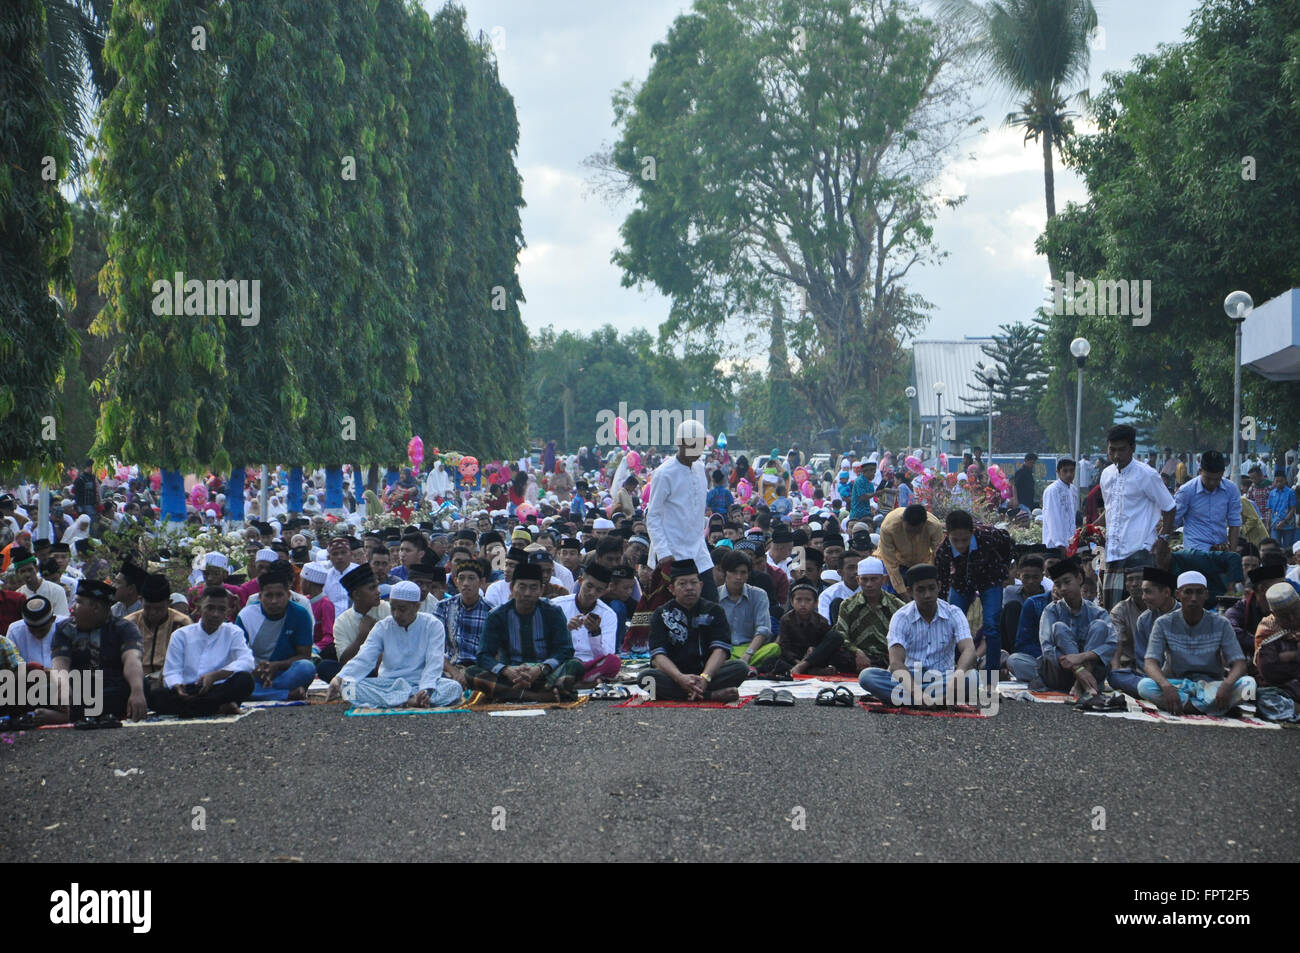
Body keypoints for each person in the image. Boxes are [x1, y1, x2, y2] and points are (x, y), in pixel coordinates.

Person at [326, 581, 462, 709]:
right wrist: (339, 678)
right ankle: (409, 701)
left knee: (454, 688)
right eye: (393, 608)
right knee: (347, 688)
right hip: (389, 684)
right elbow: (364, 658)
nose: (396, 614)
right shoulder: (383, 626)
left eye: (402, 609)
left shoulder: (432, 625)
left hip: (420, 681)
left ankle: (413, 699)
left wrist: (425, 690)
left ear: (417, 606)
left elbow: (434, 663)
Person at [858, 564, 980, 707]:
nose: (927, 594)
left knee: (972, 677)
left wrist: (957, 678)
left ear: (939, 587)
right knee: (867, 677)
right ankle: (937, 700)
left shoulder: (954, 613)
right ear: (910, 591)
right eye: (920, 590)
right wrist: (917, 693)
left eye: (931, 588)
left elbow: (969, 650)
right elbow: (896, 662)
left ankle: (906, 700)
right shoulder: (901, 617)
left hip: (943, 678)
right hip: (908, 679)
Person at [1140, 571, 1256, 714]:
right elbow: (1150, 662)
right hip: (1177, 685)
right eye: (1188, 592)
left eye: (1199, 592)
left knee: (1249, 686)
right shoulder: (1163, 623)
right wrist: (1166, 686)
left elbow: (1239, 663)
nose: (1193, 598)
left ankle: (1188, 707)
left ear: (1206, 595)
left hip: (1212, 686)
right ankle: (1215, 708)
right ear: (1177, 594)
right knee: (1144, 686)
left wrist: (1227, 684)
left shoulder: (1221, 623)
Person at [466, 563, 585, 702]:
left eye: (533, 587)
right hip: (511, 675)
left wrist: (540, 669)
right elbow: (483, 655)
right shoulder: (497, 615)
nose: (527, 593)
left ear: (541, 590)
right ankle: (541, 696)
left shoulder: (553, 612)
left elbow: (565, 650)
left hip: (545, 673)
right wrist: (507, 670)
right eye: (522, 587)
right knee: (471, 673)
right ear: (512, 588)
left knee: (575, 665)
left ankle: (507, 694)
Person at [641, 559, 748, 702]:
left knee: (740, 667)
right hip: (674, 675)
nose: (689, 588)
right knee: (646, 678)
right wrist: (680, 678)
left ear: (701, 585)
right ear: (671, 589)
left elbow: (720, 650)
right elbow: (658, 656)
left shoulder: (714, 610)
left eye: (693, 582)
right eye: (682, 584)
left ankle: (690, 692)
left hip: (709, 674)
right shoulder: (661, 614)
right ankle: (712, 696)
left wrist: (705, 677)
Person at [1007, 558, 1115, 699]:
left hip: (1092, 670)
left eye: (1067, 582)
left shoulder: (1097, 612)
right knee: (1016, 659)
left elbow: (1112, 643)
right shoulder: (1051, 611)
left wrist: (1081, 657)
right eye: (1058, 584)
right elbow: (1047, 648)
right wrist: (1078, 668)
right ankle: (1083, 681)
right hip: (1060, 671)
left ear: (1079, 579)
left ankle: (1078, 684)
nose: (1063, 588)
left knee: (1099, 626)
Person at [1097, 425, 1175, 608]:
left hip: (1141, 551)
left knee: (1145, 609)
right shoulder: (1106, 475)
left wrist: (1163, 539)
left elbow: (1170, 507)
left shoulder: (1147, 474)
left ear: (1132, 448)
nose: (1116, 455)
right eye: (1112, 450)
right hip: (1113, 553)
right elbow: (1110, 510)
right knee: (1112, 611)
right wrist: (1089, 528)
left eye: (1121, 449)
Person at [50, 579, 148, 723]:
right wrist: (62, 685)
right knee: (40, 688)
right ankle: (72, 714)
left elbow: (132, 661)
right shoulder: (65, 628)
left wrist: (137, 691)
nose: (72, 608)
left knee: (142, 686)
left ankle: (67, 716)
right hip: (76, 690)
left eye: (78, 602)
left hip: (111, 689)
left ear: (95, 607)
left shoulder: (124, 628)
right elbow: (59, 664)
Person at [150, 587, 256, 716]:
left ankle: (197, 708)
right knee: (154, 696)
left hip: (219, 688)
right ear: (199, 608)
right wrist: (178, 686)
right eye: (210, 608)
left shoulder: (233, 632)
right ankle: (215, 707)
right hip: (188, 689)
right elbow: (172, 671)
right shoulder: (181, 635)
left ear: (227, 612)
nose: (215, 614)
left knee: (245, 680)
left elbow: (247, 661)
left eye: (221, 609)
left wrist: (215, 675)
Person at [646, 419, 717, 601]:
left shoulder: (700, 468)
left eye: (700, 445)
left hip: (698, 550)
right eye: (693, 445)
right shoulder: (664, 473)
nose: (697, 450)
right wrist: (663, 552)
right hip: (672, 552)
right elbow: (652, 516)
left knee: (711, 605)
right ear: (680, 443)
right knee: (673, 611)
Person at [934, 510, 1011, 673]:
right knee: (951, 623)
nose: (960, 545)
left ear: (973, 532)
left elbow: (1007, 541)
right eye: (955, 540)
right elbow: (941, 583)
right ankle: (953, 669)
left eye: (965, 539)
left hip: (990, 578)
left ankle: (991, 677)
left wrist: (1003, 569)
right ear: (947, 534)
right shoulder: (943, 551)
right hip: (961, 582)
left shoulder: (990, 536)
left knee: (992, 625)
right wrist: (941, 608)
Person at [235, 562, 316, 702]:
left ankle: (264, 693)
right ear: (260, 597)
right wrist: (258, 670)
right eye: (269, 596)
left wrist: (276, 666)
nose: (274, 601)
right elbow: (239, 656)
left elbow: (304, 655)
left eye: (279, 595)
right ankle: (286, 695)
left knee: (307, 668)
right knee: (234, 680)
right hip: (255, 674)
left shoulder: (300, 614)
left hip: (286, 673)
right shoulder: (246, 615)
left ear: (289, 595)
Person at [1108, 567, 1178, 698]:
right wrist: (1159, 680)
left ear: (1167, 592)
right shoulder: (1144, 619)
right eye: (1143, 592)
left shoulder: (1183, 614)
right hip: (1152, 676)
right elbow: (1143, 660)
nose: (1144, 597)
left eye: (1148, 592)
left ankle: (1166, 692)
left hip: (1181, 676)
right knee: (1115, 676)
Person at [832, 556, 906, 671]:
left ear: (884, 580)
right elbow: (841, 635)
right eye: (864, 579)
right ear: (858, 580)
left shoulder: (897, 606)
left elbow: (904, 637)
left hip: (887, 657)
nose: (869, 584)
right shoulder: (847, 605)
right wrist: (857, 652)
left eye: (873, 579)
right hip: (856, 657)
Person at [432, 559, 496, 684]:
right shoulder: (443, 607)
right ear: (456, 581)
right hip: (450, 669)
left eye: (471, 578)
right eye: (461, 578)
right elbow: (435, 648)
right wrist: (455, 673)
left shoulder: (492, 611)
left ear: (481, 582)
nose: (466, 583)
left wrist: (469, 674)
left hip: (481, 670)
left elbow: (496, 652)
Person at [126, 573, 193, 687]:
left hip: (170, 684)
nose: (153, 613)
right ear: (141, 600)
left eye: (159, 609)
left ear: (169, 603)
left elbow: (189, 661)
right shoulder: (129, 623)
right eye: (148, 607)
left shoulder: (182, 623)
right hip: (133, 682)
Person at [715, 550, 777, 670]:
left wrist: (748, 654)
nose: (738, 577)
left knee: (774, 648)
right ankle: (743, 668)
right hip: (725, 649)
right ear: (725, 572)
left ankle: (736, 667)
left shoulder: (759, 594)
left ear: (748, 574)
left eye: (743, 573)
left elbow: (763, 629)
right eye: (734, 572)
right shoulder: (715, 596)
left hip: (751, 648)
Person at [877, 503, 944, 594]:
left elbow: (939, 556)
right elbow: (891, 564)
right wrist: (902, 592)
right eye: (909, 531)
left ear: (924, 524)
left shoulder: (934, 526)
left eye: (917, 531)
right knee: (892, 596)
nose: (912, 535)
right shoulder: (888, 527)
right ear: (902, 521)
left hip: (922, 562)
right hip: (896, 561)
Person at [1255, 582, 1300, 701]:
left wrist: (1290, 657)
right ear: (1274, 614)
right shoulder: (1267, 631)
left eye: (1295, 612)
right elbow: (1270, 671)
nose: (1292, 618)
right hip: (1283, 689)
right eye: (1284, 615)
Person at [10, 546, 70, 618]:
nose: (27, 574)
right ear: (17, 573)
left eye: (30, 570)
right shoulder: (18, 595)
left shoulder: (56, 590)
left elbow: (62, 619)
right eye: (23, 571)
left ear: (36, 568)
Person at [1040, 458, 1078, 554]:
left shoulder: (1073, 490)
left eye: (1071, 470)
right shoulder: (1052, 490)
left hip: (1070, 544)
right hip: (1055, 546)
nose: (1069, 474)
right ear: (1058, 472)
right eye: (1065, 471)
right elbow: (1052, 519)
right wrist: (1060, 544)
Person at [1266, 470, 1298, 549]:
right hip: (1275, 524)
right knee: (1274, 546)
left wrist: (1284, 521)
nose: (1279, 483)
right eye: (1277, 481)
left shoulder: (1290, 492)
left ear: (1285, 480)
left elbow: (1292, 509)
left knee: (1287, 547)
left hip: (1288, 525)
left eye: (1281, 481)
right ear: (1274, 481)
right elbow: (1270, 510)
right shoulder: (1272, 493)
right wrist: (1268, 524)